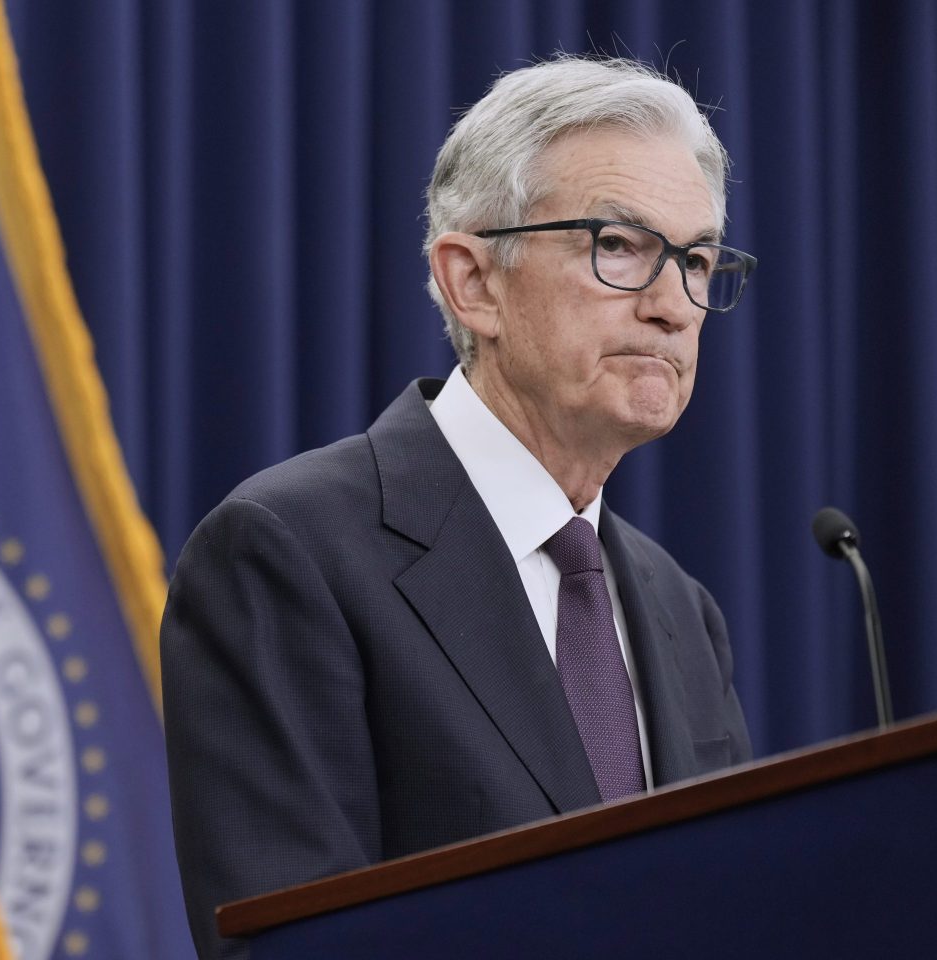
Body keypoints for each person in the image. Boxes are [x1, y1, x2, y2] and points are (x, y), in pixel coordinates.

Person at [161, 54, 756, 960]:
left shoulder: (682, 609)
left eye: (698, 260)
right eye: (622, 247)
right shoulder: (290, 554)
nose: (676, 306)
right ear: (472, 281)